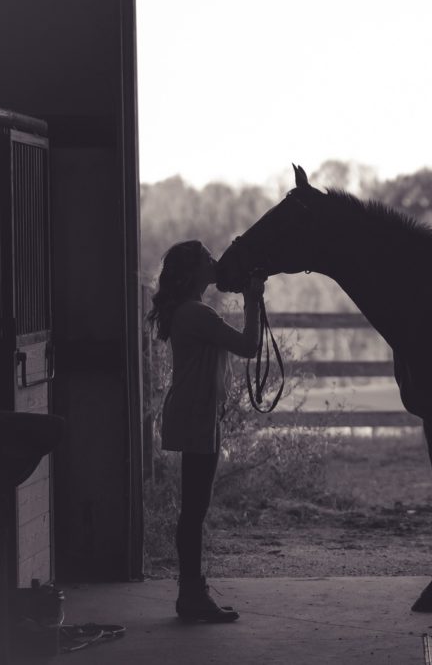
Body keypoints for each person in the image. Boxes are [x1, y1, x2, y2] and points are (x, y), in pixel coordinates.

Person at [145, 240, 264, 623]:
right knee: (195, 510)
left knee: (194, 509)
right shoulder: (197, 313)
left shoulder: (189, 311)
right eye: (208, 259)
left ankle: (191, 593)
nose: (215, 263)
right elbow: (249, 345)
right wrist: (253, 299)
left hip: (197, 413)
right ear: (196, 271)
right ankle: (192, 595)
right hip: (197, 415)